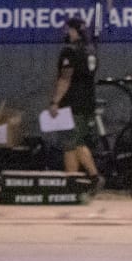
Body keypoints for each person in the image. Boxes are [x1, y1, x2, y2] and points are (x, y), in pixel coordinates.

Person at [45, 16, 104, 189]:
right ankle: (93, 178)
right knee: (79, 142)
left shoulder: (69, 51)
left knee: (69, 145)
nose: (64, 32)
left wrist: (55, 102)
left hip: (72, 104)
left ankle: (71, 183)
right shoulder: (91, 49)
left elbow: (65, 79)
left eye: (66, 29)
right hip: (87, 103)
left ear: (72, 30)